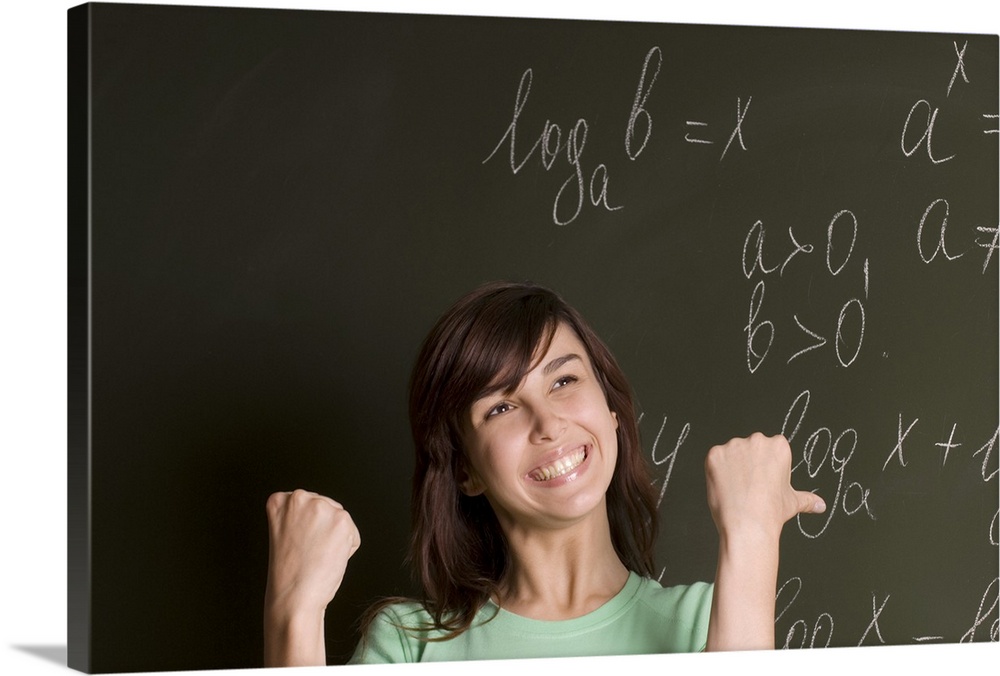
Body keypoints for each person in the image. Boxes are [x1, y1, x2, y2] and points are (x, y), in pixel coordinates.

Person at [263, 281, 826, 666]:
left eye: (563, 381)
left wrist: (752, 539)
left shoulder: (714, 619)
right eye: (501, 408)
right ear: (465, 471)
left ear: (611, 413)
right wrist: (294, 611)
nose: (548, 425)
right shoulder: (411, 646)